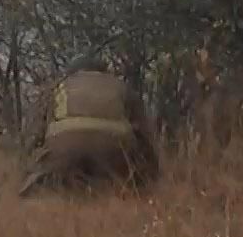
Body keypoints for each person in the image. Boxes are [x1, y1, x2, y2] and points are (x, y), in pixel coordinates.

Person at [18, 55, 159, 197]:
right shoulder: (121, 86)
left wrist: (29, 165)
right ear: (103, 71)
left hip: (65, 149)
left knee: (48, 174)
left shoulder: (58, 87)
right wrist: (152, 171)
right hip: (114, 150)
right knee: (132, 178)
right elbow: (143, 133)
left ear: (73, 71)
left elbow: (36, 133)